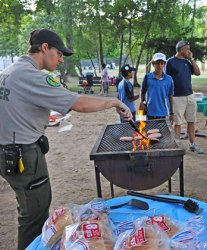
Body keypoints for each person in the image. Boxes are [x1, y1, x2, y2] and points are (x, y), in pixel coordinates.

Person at [0, 28, 131, 250]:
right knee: (34, 218)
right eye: (59, 53)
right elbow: (78, 103)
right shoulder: (30, 75)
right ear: (44, 48)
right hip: (24, 157)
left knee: (27, 210)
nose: (61, 59)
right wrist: (114, 102)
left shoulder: (9, 71)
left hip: (9, 153)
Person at [165, 41, 203, 154]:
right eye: (187, 49)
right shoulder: (170, 62)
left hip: (190, 95)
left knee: (191, 121)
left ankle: (192, 145)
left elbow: (197, 72)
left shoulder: (187, 61)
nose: (189, 51)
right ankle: (177, 147)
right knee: (177, 123)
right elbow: (167, 80)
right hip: (177, 97)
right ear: (181, 49)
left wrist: (191, 59)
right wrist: (168, 96)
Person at [140, 52, 174, 121]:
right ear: (153, 64)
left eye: (162, 63)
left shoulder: (169, 79)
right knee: (150, 131)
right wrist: (144, 103)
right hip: (150, 111)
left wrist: (172, 113)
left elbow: (170, 96)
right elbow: (143, 92)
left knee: (162, 131)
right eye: (157, 63)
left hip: (163, 111)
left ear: (164, 64)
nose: (159, 66)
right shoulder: (147, 77)